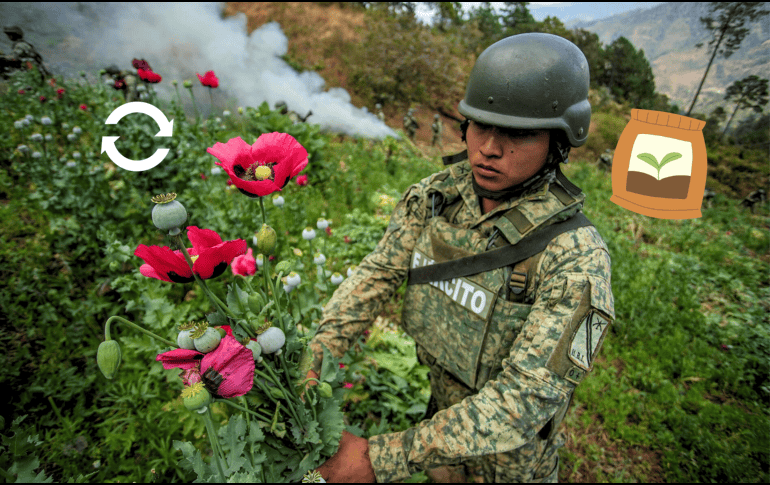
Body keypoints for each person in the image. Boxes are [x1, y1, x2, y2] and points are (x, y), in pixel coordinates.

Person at [309, 32, 614, 483]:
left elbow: (525, 400)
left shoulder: (575, 257)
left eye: (518, 133)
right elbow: (376, 275)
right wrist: (317, 355)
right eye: (479, 125)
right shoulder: (438, 198)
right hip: (440, 429)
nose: (488, 148)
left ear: (559, 141)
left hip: (511, 464)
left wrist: (382, 459)